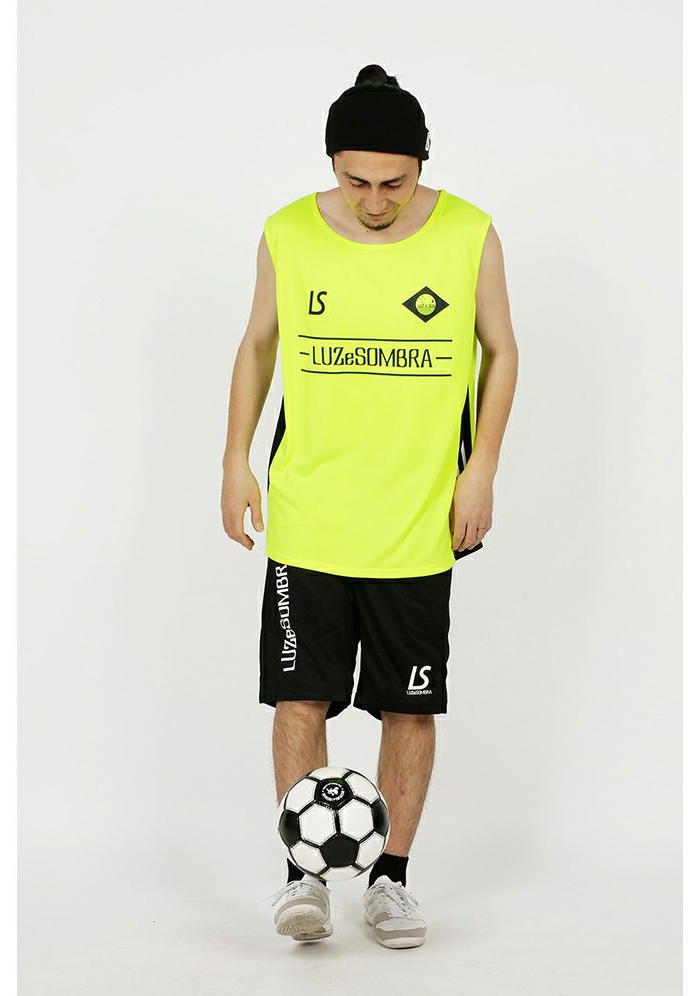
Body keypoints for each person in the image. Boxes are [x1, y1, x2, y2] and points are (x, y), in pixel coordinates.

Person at [221, 64, 519, 948]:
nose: (377, 199)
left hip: (417, 522)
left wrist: (482, 468)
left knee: (409, 708)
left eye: (396, 182)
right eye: (357, 181)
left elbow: (502, 349)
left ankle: (391, 881)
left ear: (422, 165)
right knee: (299, 701)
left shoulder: (470, 234)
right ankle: (303, 878)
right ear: (332, 164)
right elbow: (257, 343)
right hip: (310, 516)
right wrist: (235, 460)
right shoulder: (287, 232)